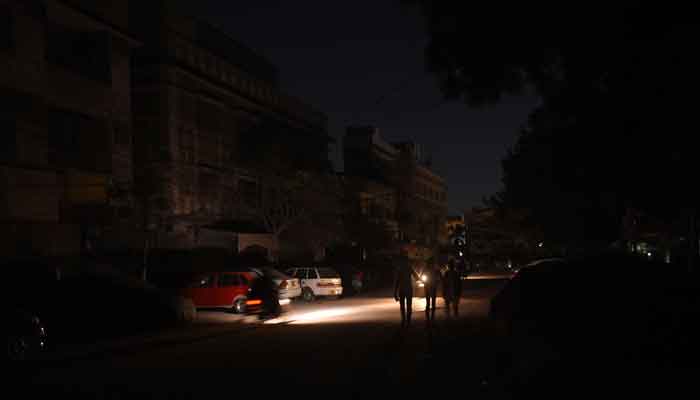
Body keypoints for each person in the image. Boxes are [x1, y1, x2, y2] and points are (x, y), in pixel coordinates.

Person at [394, 256, 418, 328]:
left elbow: (397, 281)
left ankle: (404, 320)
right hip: (408, 289)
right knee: (409, 306)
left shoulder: (400, 269)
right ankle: (408, 321)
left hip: (402, 289)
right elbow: (416, 277)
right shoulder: (409, 268)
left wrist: (395, 292)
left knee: (402, 306)